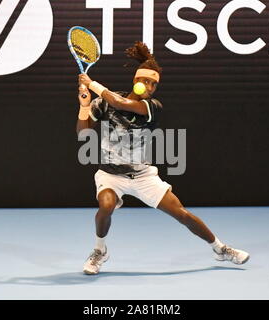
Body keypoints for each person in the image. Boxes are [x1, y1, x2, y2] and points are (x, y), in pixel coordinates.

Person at [76, 41, 250, 275]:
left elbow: (121, 103)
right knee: (105, 206)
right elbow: (83, 133)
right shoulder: (104, 102)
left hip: (143, 176)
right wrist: (84, 105)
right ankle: (100, 251)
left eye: (153, 84)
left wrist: (92, 84)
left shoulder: (151, 106)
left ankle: (220, 248)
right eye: (145, 80)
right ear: (135, 80)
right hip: (110, 174)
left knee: (182, 214)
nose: (148, 86)